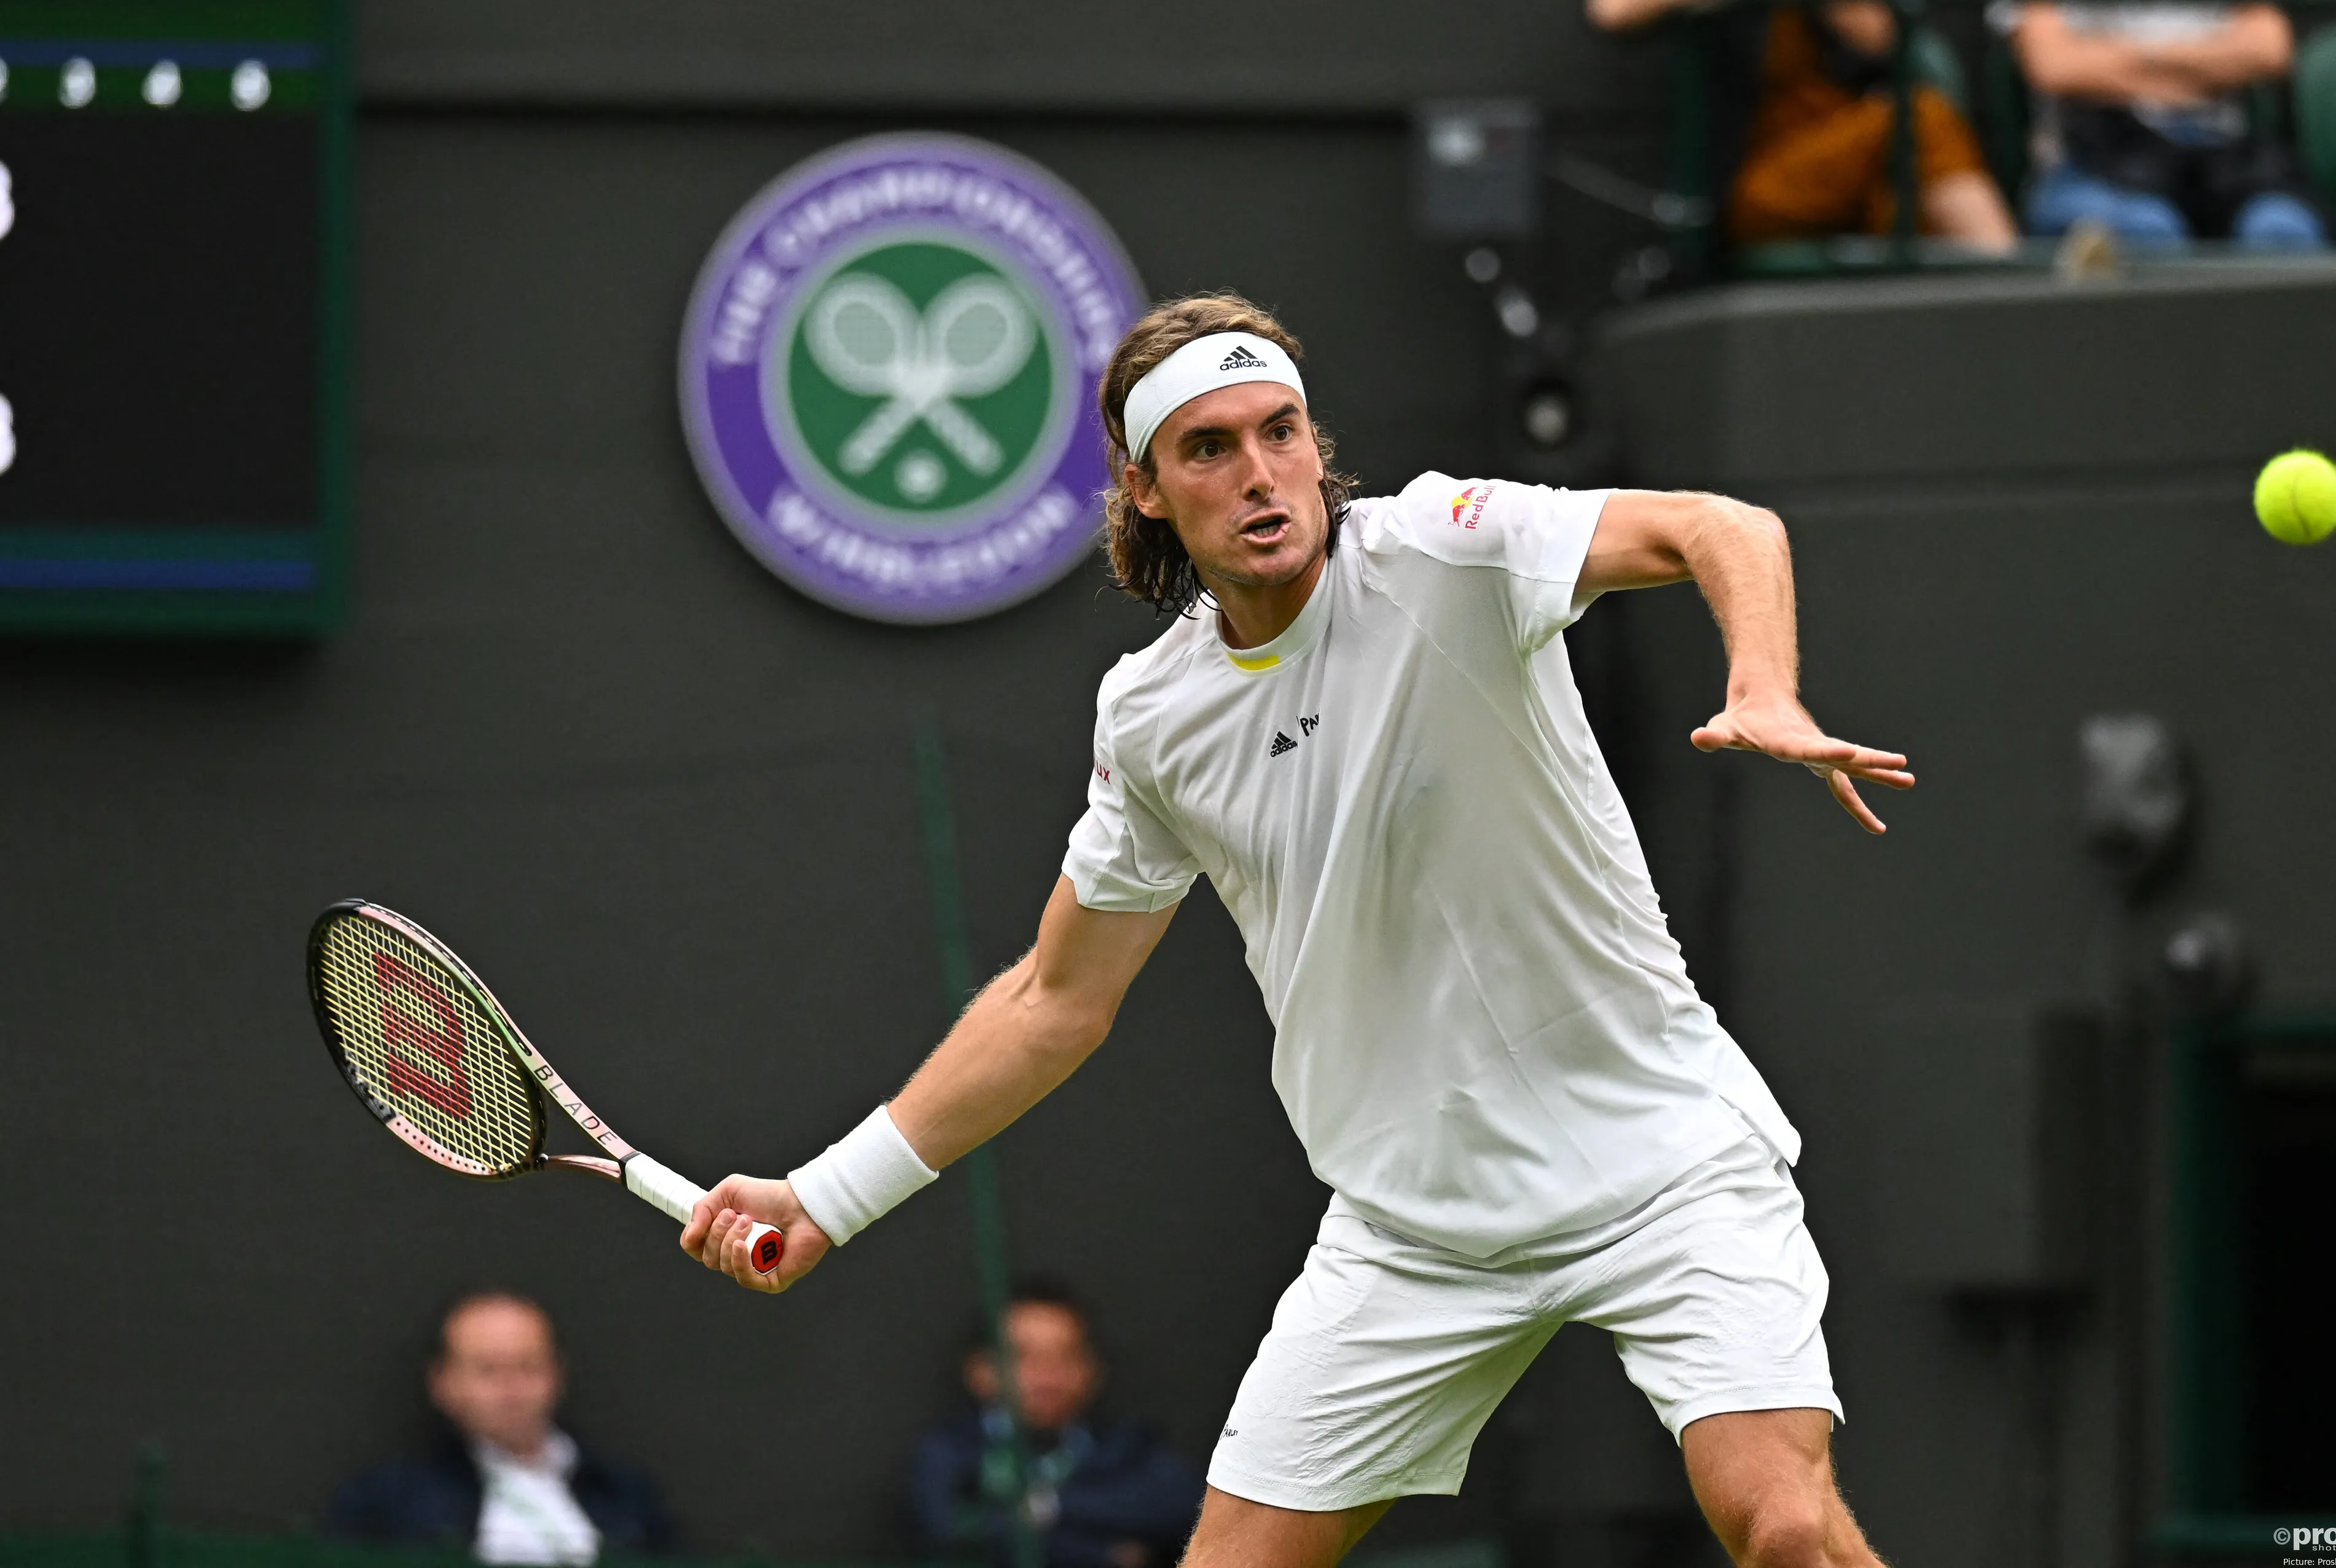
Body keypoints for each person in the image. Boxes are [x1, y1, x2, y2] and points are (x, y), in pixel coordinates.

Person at [684, 293, 1916, 1568]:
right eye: (1209, 448)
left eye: (1280, 431)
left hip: (1661, 1161)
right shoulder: (1153, 718)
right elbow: (1056, 999)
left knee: (1778, 1526)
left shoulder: (1446, 544)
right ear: (1147, 487)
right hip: (1415, 1225)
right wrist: (827, 1196)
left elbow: (1718, 525)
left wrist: (1762, 682)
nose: (1261, 474)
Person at [1589, 0, 2018, 251]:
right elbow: (1611, 9)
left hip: (1857, 165)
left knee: (1915, 148)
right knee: (1924, 122)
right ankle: (2014, 289)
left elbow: (1887, 38)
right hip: (1754, 188)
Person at [326, 1291, 673, 1564]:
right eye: (488, 1370)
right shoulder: (390, 1504)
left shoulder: (621, 1494)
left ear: (556, 1374)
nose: (511, 1388)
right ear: (442, 1382)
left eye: (528, 1367)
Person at [909, 1278, 1203, 1568]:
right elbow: (946, 1530)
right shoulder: (950, 1449)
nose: (1047, 1376)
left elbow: (1183, 1509)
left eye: (1067, 1355)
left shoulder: (1126, 1446)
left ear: (1093, 1370)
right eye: (1023, 1357)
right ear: (980, 1370)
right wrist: (1099, 1554)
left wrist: (1048, 1506)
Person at [2001, 0, 2327, 248]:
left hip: (2217, 160)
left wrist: (2120, 60)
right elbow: (2056, 66)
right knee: (2146, 230)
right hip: (2095, 160)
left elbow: (2268, 49)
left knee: (2282, 229)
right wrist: (2197, 70)